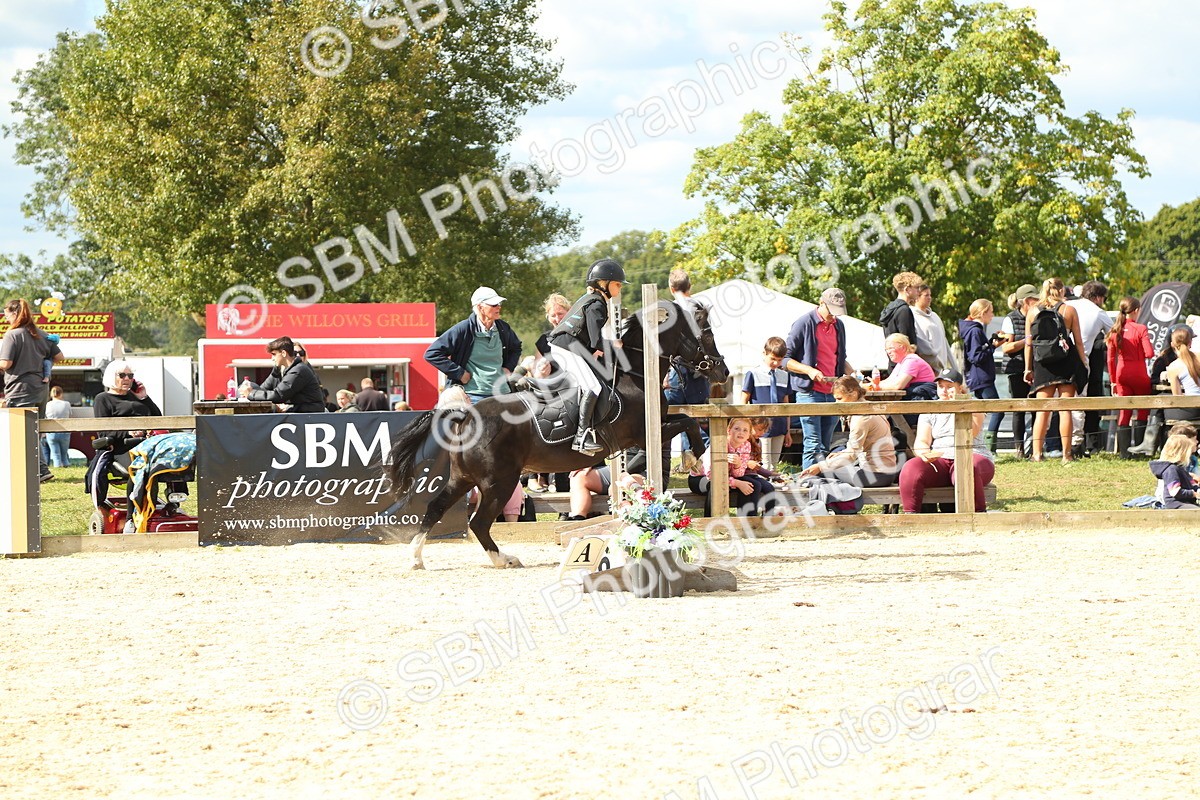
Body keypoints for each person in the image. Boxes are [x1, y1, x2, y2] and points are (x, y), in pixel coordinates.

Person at [548, 260, 625, 455]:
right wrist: (613, 345)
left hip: (568, 346)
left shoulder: (591, 299)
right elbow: (595, 340)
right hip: (567, 348)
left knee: (591, 384)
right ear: (603, 284)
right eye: (617, 283)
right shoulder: (597, 304)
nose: (620, 287)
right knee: (593, 386)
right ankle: (581, 436)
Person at [898, 367, 996, 513]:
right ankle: (911, 517)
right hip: (941, 458)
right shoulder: (930, 409)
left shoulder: (973, 404)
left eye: (949, 387)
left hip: (972, 454)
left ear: (960, 388)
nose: (944, 391)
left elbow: (971, 432)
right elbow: (922, 440)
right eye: (940, 386)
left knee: (967, 467)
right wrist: (924, 453)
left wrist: (961, 404)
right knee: (911, 468)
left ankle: (977, 515)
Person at [781, 287, 855, 468]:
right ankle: (808, 486)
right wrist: (809, 371)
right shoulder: (803, 323)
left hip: (833, 393)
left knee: (825, 445)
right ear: (821, 303)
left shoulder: (839, 325)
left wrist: (850, 371)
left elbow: (838, 356)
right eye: (831, 311)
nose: (834, 316)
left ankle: (821, 483)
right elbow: (784, 359)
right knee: (813, 444)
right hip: (809, 392)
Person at [1024, 278, 1088, 463]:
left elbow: (1029, 344)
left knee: (1042, 411)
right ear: (1061, 291)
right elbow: (1078, 341)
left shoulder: (1033, 310)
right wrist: (1083, 363)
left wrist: (1028, 368)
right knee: (1064, 409)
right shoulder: (1069, 310)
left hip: (1042, 363)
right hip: (1065, 361)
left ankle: (1037, 454)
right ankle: (1067, 455)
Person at [0, 298, 64, 482]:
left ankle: (40, 471)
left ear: (14, 313)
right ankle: (41, 470)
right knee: (34, 430)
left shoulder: (12, 335)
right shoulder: (42, 334)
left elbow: (6, 363)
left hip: (20, 389)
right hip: (41, 390)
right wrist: (43, 362)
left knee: (20, 431)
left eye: (6, 315)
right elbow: (60, 356)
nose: (5, 319)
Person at [425, 285, 523, 404]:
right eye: (494, 304)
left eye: (499, 304)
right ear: (480, 307)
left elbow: (516, 347)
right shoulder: (462, 329)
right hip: (473, 396)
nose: (499, 307)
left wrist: (508, 368)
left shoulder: (503, 328)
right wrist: (459, 373)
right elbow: (432, 353)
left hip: (503, 393)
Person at [799, 376, 898, 487]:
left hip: (877, 474)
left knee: (822, 473)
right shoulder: (869, 407)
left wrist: (819, 467)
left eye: (840, 399)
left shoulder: (861, 417)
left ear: (854, 394)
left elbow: (851, 455)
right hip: (885, 472)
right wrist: (840, 454)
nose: (836, 403)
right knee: (832, 468)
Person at [663, 269, 711, 450]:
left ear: (671, 288)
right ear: (690, 286)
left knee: (672, 416)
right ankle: (703, 462)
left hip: (675, 368)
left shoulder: (668, 310)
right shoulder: (700, 308)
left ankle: (683, 459)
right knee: (701, 419)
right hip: (698, 370)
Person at [688, 417, 775, 516]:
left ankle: (747, 523)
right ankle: (712, 521)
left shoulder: (746, 445)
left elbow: (739, 474)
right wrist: (736, 483)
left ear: (749, 434)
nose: (741, 433)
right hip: (700, 478)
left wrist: (738, 465)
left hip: (727, 477)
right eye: (737, 429)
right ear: (729, 430)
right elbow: (711, 475)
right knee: (717, 486)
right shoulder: (719, 444)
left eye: (745, 430)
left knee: (750, 485)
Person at [1066, 280, 1112, 456]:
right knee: (1078, 403)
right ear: (1098, 297)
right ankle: (1075, 445)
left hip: (1059, 359)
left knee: (1057, 404)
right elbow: (1114, 336)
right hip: (1080, 360)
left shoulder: (1068, 304)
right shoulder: (1099, 312)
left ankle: (1052, 445)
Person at [1106, 296, 1154, 457]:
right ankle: (1139, 451)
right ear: (1135, 311)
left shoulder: (1114, 330)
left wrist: (1113, 381)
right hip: (1139, 373)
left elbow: (1110, 359)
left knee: (1124, 412)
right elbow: (1149, 353)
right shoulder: (1140, 328)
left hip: (1121, 374)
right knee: (1142, 411)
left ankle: (1124, 453)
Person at [997, 285, 1040, 457]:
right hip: (1016, 369)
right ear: (1027, 302)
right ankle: (1019, 449)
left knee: (1037, 409)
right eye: (1036, 299)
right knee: (1019, 409)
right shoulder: (1011, 319)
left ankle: (1036, 449)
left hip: (1036, 369)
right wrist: (1027, 340)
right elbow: (1006, 347)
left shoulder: (1038, 316)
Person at [738, 336, 792, 468]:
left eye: (779, 360)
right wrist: (747, 427)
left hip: (780, 426)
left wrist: (788, 430)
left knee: (774, 463)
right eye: (773, 359)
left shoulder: (784, 376)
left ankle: (772, 485)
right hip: (761, 427)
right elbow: (744, 400)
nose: (775, 363)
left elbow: (786, 405)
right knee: (765, 464)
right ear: (764, 354)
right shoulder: (753, 373)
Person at [958, 299, 1002, 453]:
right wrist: (991, 347)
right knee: (997, 409)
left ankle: (980, 444)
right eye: (991, 312)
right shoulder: (975, 331)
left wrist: (990, 344)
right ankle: (990, 448)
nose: (993, 315)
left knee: (982, 410)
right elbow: (976, 356)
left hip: (979, 378)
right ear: (983, 313)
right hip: (981, 378)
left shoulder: (975, 330)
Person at [565, 448, 648, 520]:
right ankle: (577, 519)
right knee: (579, 477)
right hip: (615, 467)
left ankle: (624, 522)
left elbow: (644, 455)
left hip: (641, 470)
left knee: (619, 485)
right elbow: (603, 446)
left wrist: (620, 474)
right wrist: (589, 462)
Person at [248, 338, 327, 412]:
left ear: (283, 353)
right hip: (300, 415)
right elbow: (263, 389)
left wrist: (251, 393)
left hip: (310, 417)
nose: (272, 358)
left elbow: (278, 396)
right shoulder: (278, 370)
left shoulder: (298, 370)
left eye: (274, 354)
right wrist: (252, 390)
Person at [911, 283, 957, 373]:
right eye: (926, 295)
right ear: (917, 297)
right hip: (926, 368)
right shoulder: (911, 316)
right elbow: (918, 343)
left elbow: (944, 341)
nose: (929, 298)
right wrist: (933, 361)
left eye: (930, 295)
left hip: (941, 369)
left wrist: (954, 367)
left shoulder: (935, 316)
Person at [878, 333, 938, 400]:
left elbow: (898, 385)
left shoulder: (912, 360)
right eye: (886, 349)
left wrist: (874, 386)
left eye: (891, 348)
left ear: (903, 348)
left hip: (921, 400)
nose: (888, 352)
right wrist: (869, 385)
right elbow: (889, 381)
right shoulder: (902, 362)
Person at [1149, 434, 1200, 510]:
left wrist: (1197, 489)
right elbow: (1175, 492)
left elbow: (1191, 485)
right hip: (1176, 503)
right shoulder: (1171, 470)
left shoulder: (1180, 467)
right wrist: (1194, 494)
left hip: (1186, 501)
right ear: (1181, 452)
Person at [1164, 327, 1200, 424]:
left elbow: (1177, 398)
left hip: (1193, 411)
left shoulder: (1173, 366)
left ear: (1172, 344)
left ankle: (1151, 438)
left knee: (1160, 404)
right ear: (1190, 343)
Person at [879, 271, 921, 343]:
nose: (919, 291)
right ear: (907, 289)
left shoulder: (890, 309)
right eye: (916, 288)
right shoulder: (904, 310)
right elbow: (908, 342)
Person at [42, 385, 73, 468]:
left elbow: (45, 416)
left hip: (51, 432)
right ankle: (66, 467)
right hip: (64, 431)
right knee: (64, 454)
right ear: (61, 394)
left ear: (51, 394)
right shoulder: (66, 404)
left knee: (55, 455)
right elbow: (70, 415)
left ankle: (58, 469)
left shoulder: (48, 404)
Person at [535, 293, 572, 360]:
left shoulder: (581, 335)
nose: (557, 319)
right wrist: (541, 369)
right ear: (548, 317)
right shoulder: (544, 340)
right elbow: (536, 366)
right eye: (553, 316)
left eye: (560, 314)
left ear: (569, 312)